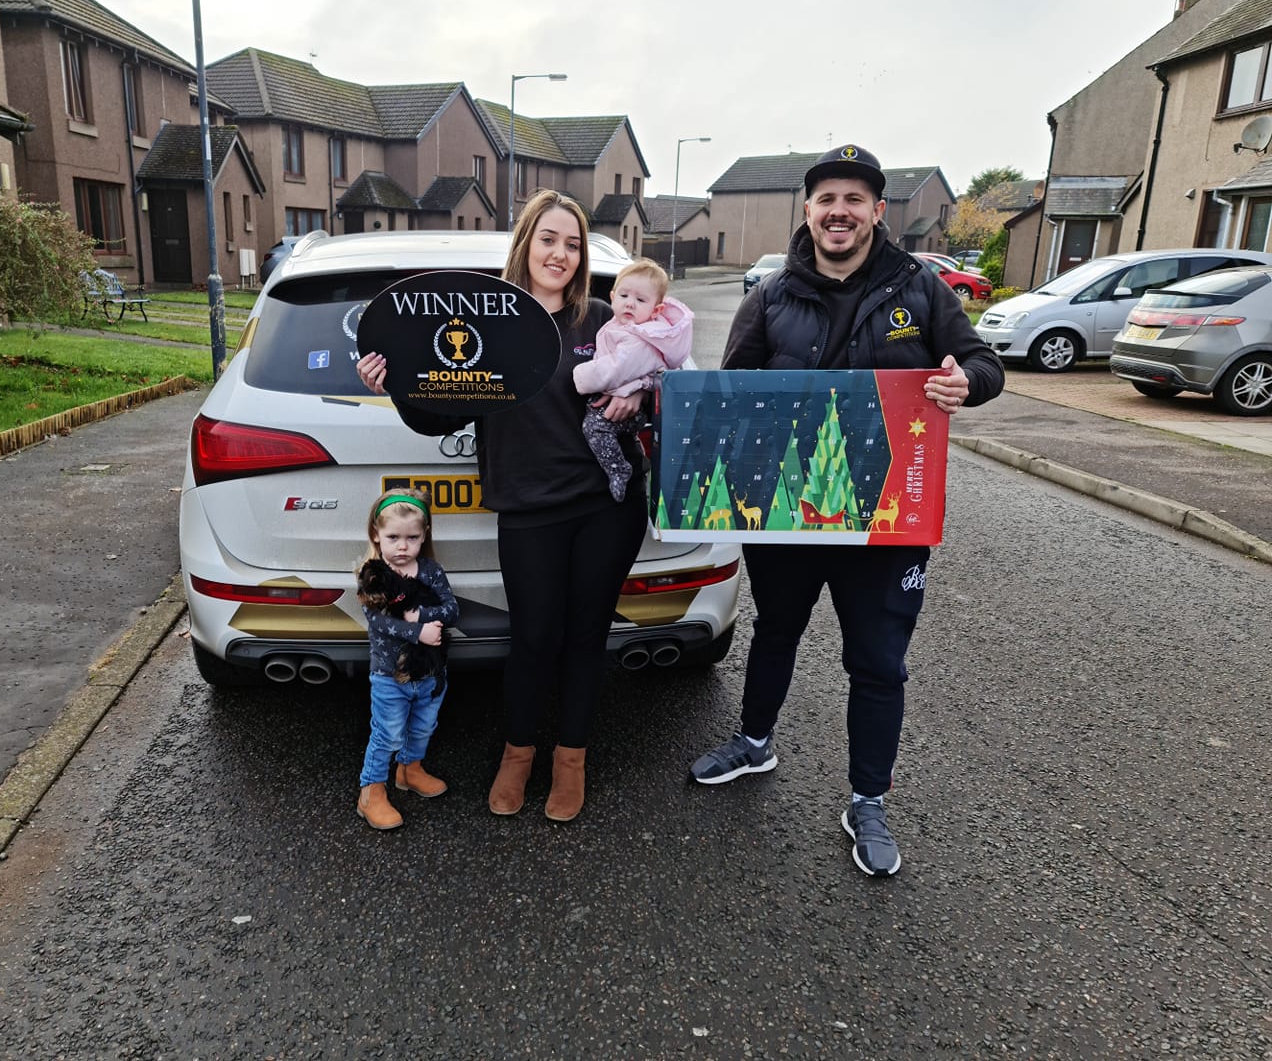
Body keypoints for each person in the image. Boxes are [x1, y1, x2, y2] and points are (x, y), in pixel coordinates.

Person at [688, 144, 1005, 877]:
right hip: (790, 512)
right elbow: (734, 393)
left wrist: (967, 382)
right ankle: (755, 743)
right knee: (776, 631)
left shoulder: (919, 289)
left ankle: (868, 799)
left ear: (877, 211)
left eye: (854, 199)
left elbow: (983, 363)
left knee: (878, 662)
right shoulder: (771, 296)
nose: (840, 211)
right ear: (808, 210)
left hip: (888, 517)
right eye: (827, 198)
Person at [356, 189, 648, 823]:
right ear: (525, 245)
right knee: (534, 638)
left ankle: (570, 760)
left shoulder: (603, 320)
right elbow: (438, 415)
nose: (560, 254)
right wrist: (396, 385)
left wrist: (638, 396)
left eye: (572, 244)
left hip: (605, 507)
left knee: (585, 637)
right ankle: (517, 755)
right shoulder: (488, 324)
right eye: (548, 239)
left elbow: (656, 373)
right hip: (528, 508)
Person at [354, 487, 459, 831]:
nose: (402, 546)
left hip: (429, 672)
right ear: (376, 534)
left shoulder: (430, 570)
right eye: (393, 537)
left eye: (412, 538)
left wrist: (422, 614)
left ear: (424, 535)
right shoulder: (373, 575)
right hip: (389, 675)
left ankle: (409, 770)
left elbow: (452, 610)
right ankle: (371, 791)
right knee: (387, 734)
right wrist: (418, 631)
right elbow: (377, 621)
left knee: (424, 726)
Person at [572, 258, 693, 502]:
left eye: (640, 300)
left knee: (595, 427)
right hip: (615, 399)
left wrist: (580, 376)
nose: (630, 303)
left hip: (630, 410)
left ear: (656, 310)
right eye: (624, 295)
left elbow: (616, 369)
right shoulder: (619, 325)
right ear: (612, 296)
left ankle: (618, 468)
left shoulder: (642, 336)